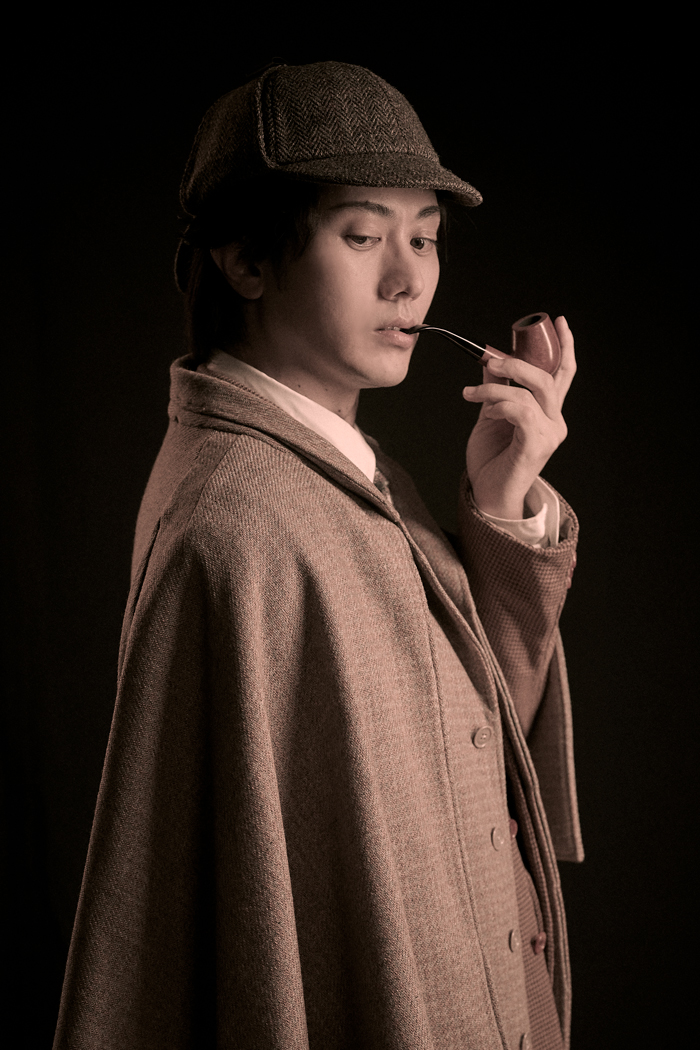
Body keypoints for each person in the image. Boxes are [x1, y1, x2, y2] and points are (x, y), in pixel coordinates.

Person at [53, 61, 582, 1050]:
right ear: (245, 260)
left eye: (425, 236)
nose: (409, 277)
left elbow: (474, 742)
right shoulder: (236, 525)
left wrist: (501, 503)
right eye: (362, 235)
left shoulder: (347, 465)